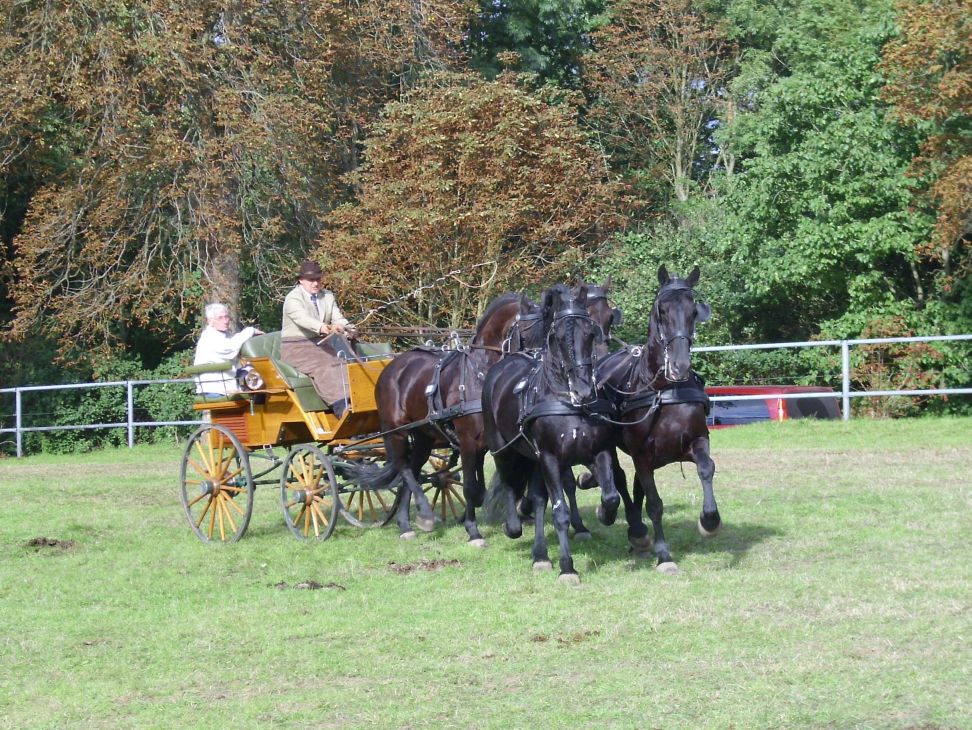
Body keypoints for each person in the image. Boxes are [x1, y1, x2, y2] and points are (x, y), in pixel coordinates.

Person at [280, 259, 355, 415]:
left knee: (343, 363)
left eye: (318, 279)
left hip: (321, 345)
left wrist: (348, 328)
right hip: (296, 347)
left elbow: (338, 317)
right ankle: (342, 408)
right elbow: (303, 319)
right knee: (326, 366)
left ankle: (356, 402)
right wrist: (324, 327)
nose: (315, 283)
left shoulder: (327, 296)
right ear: (300, 280)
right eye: (311, 280)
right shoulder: (292, 298)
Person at [193, 303, 262, 397]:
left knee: (259, 374)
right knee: (257, 394)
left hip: (227, 382)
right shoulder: (209, 336)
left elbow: (234, 345)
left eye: (226, 317)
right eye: (220, 318)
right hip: (213, 388)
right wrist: (250, 331)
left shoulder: (225, 335)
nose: (225, 321)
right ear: (210, 321)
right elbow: (229, 349)